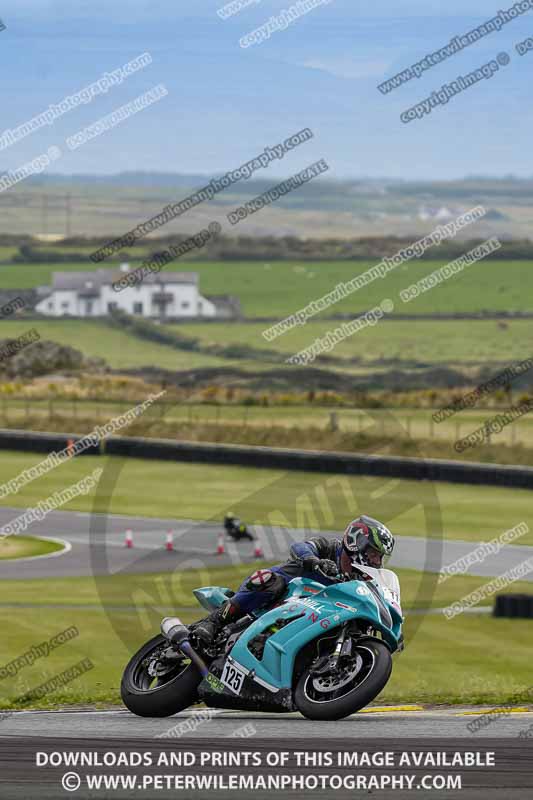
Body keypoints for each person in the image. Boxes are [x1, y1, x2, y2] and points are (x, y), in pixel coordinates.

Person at [194, 515, 396, 644]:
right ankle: (213, 621)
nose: (377, 560)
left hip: (309, 616)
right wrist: (314, 561)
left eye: (380, 556)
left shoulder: (361, 579)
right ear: (356, 542)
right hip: (284, 595)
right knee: (269, 581)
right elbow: (300, 547)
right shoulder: (329, 547)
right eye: (373, 553)